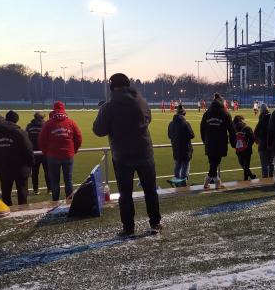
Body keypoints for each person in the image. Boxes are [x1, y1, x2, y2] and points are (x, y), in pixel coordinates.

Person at [93, 73, 162, 236]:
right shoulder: (143, 102)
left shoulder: (109, 106)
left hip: (122, 155)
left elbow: (98, 130)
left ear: (112, 87)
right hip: (144, 152)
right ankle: (155, 224)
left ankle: (129, 228)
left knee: (125, 194)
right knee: (150, 191)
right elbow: (148, 120)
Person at [39, 101, 82, 201]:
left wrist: (46, 152)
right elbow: (79, 138)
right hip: (68, 155)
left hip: (52, 156)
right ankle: (70, 201)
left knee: (54, 181)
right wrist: (74, 150)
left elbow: (41, 140)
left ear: (54, 110)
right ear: (64, 110)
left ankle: (55, 201)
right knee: (68, 180)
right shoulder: (71, 123)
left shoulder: (48, 124)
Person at [0, 111, 34, 206]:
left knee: (6, 193)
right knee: (22, 192)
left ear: (6, 119)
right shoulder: (20, 132)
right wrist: (31, 164)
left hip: (4, 167)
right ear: (16, 120)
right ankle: (22, 212)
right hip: (20, 167)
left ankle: (7, 212)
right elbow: (28, 149)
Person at [200, 93, 236, 189]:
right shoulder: (225, 114)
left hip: (209, 142)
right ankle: (211, 181)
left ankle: (213, 182)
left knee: (213, 162)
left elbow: (202, 128)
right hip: (221, 142)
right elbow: (232, 130)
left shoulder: (207, 113)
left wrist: (205, 140)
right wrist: (233, 143)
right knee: (215, 162)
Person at [167, 104, 194, 187]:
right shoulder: (185, 123)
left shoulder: (171, 124)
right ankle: (183, 183)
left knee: (177, 165)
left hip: (175, 148)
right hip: (185, 149)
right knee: (185, 166)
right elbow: (192, 135)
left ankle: (176, 181)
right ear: (183, 114)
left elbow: (169, 135)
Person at [26, 112, 50, 195]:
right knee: (47, 172)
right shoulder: (46, 126)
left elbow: (26, 138)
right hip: (45, 152)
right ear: (42, 118)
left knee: (35, 172)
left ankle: (35, 190)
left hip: (34, 152)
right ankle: (49, 189)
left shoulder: (29, 126)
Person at [253, 103, 274, 178]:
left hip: (262, 145)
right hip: (272, 145)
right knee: (271, 163)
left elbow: (255, 133)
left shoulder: (261, 121)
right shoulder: (273, 120)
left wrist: (257, 141)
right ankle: (272, 178)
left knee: (264, 164)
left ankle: (265, 179)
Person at [233, 115, 257, 181]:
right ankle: (248, 177)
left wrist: (235, 146)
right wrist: (248, 146)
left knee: (242, 164)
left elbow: (232, 139)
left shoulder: (233, 129)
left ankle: (248, 177)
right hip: (247, 150)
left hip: (239, 149)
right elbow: (252, 138)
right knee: (246, 165)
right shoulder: (247, 128)